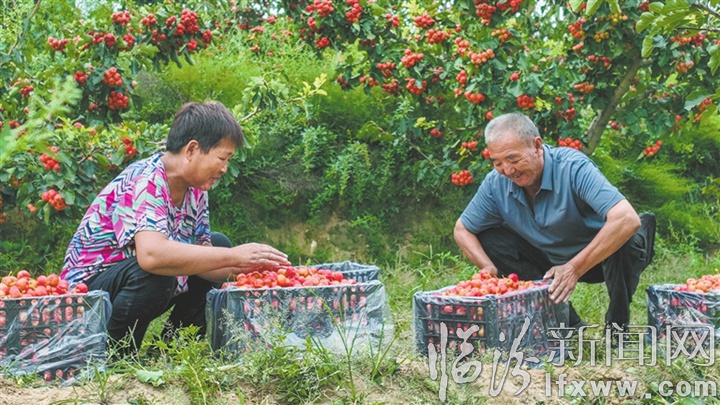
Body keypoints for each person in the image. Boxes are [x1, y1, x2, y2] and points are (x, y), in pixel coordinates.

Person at [61, 101, 291, 355]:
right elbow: (151, 256)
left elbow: (204, 253)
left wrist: (255, 269)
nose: (224, 168)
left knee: (218, 245)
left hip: (134, 281)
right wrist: (236, 255)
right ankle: (114, 352)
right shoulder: (146, 181)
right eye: (222, 158)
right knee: (158, 272)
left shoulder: (196, 188)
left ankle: (175, 348)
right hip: (86, 298)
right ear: (192, 149)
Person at [454, 112, 655, 336]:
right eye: (497, 162)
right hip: (551, 261)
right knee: (489, 239)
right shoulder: (496, 183)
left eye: (513, 159)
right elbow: (463, 229)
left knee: (624, 237)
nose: (508, 170)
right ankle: (566, 322)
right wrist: (488, 268)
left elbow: (627, 218)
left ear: (537, 146)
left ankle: (618, 327)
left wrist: (574, 268)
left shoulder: (572, 167)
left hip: (601, 256)